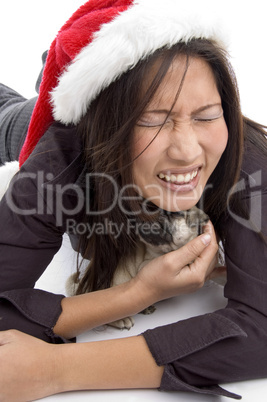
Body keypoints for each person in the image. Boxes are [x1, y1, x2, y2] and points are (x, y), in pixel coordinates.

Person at [0, 0, 266, 400]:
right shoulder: (60, 158)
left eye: (206, 115)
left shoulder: (247, 160)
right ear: (108, 125)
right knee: (11, 114)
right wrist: (138, 293)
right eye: (152, 119)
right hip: (47, 124)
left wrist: (57, 369)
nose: (187, 152)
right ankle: (50, 72)